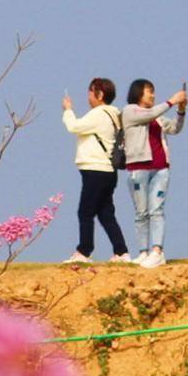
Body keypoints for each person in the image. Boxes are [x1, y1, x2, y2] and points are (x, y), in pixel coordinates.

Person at [60, 78, 131, 265]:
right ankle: (121, 251)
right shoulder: (115, 115)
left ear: (99, 95)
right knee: (106, 213)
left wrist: (68, 110)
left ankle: (84, 251)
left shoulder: (99, 114)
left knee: (85, 212)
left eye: (91, 92)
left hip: (95, 169)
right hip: (108, 171)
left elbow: (74, 126)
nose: (89, 96)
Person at [119, 78, 187, 269]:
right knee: (141, 212)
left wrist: (181, 110)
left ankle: (157, 251)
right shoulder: (129, 111)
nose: (153, 95)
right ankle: (143, 252)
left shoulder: (156, 116)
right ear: (138, 93)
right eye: (149, 91)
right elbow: (148, 115)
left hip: (160, 168)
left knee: (156, 210)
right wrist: (171, 101)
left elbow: (175, 128)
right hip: (138, 167)